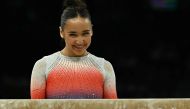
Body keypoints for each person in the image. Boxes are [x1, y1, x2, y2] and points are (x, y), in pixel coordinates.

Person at [30, 0, 117, 99]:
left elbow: (113, 106)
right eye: (73, 35)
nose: (80, 41)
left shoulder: (105, 67)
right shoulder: (43, 66)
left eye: (85, 33)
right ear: (61, 32)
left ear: (92, 31)